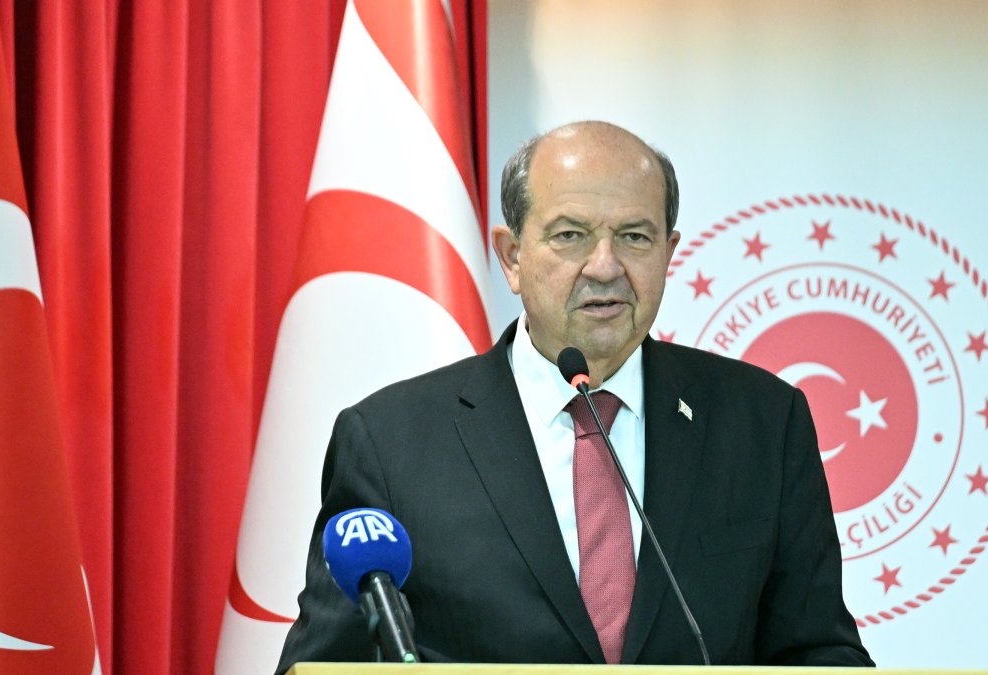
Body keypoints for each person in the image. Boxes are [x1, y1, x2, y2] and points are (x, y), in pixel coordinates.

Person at [275, 121, 873, 670]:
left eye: (636, 237)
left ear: (669, 251)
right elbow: (326, 665)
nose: (605, 265)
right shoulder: (392, 442)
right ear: (512, 257)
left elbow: (817, 651)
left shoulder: (763, 422)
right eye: (571, 236)